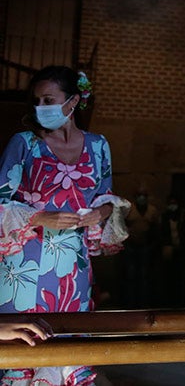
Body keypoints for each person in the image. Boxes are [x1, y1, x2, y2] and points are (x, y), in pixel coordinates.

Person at [0, 66, 130, 386]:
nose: (41, 106)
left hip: (73, 267)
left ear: (73, 101)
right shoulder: (24, 143)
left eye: (49, 99)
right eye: (37, 100)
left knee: (70, 345)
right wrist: (38, 217)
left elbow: (106, 197)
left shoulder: (99, 145)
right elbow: (1, 202)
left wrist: (100, 214)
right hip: (23, 267)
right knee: (25, 349)